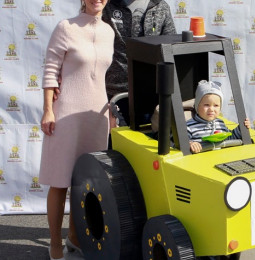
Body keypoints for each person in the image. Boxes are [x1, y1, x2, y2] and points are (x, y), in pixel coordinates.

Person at [39, 1, 114, 259]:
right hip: (67, 113)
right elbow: (50, 72)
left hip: (97, 115)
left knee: (85, 183)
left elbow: (106, 77)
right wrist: (48, 109)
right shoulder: (66, 27)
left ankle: (74, 237)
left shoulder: (109, 32)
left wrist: (112, 111)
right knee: (60, 181)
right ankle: (55, 242)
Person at [102, 0, 177, 126]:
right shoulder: (106, 5)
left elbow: (170, 48)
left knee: (146, 143)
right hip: (114, 94)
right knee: (114, 143)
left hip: (150, 94)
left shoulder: (161, 6)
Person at [187, 80, 251, 154]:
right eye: (206, 105)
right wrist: (190, 144)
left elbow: (230, 138)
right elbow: (181, 142)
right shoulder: (189, 126)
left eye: (216, 105)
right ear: (197, 106)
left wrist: (242, 128)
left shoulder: (220, 123)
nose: (211, 109)